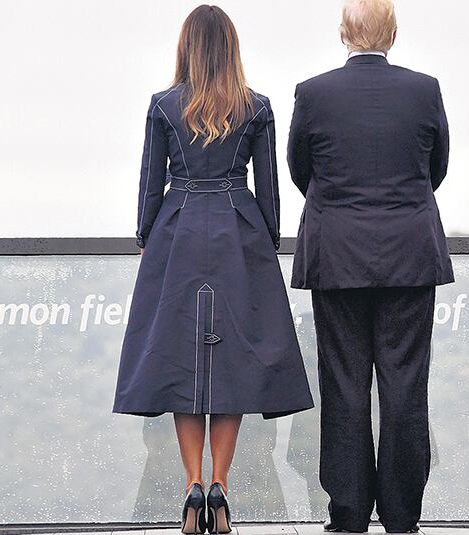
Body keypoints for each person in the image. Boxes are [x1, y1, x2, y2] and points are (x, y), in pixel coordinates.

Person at [113, 5, 314, 534]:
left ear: (187, 48)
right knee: (232, 366)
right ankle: (221, 485)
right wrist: (266, 238)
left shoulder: (162, 106)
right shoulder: (257, 107)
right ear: (230, 48)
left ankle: (191, 486)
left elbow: (149, 186)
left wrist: (145, 238)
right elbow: (268, 190)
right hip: (237, 231)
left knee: (184, 362)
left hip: (177, 233)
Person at [286, 0, 453, 532]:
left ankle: (349, 512)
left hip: (336, 257)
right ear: (394, 35)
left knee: (344, 384)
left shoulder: (313, 94)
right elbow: (436, 168)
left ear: (342, 33)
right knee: (405, 385)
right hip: (409, 255)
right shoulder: (424, 90)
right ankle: (403, 515)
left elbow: (300, 170)